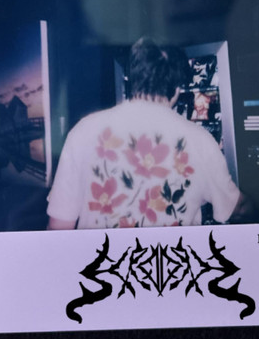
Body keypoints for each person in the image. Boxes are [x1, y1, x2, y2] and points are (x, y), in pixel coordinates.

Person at [46, 37, 242, 230]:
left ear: (131, 78)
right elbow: (237, 208)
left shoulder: (83, 131)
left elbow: (59, 226)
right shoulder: (201, 140)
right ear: (177, 87)